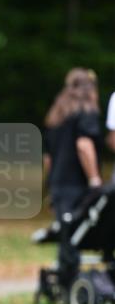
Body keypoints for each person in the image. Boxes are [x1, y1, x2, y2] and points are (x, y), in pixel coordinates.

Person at [44, 68, 102, 288]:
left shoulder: (57, 115)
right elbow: (84, 146)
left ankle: (65, 282)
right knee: (78, 235)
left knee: (67, 236)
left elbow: (48, 158)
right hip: (75, 185)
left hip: (59, 184)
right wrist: (94, 179)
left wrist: (51, 186)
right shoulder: (86, 112)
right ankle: (71, 284)